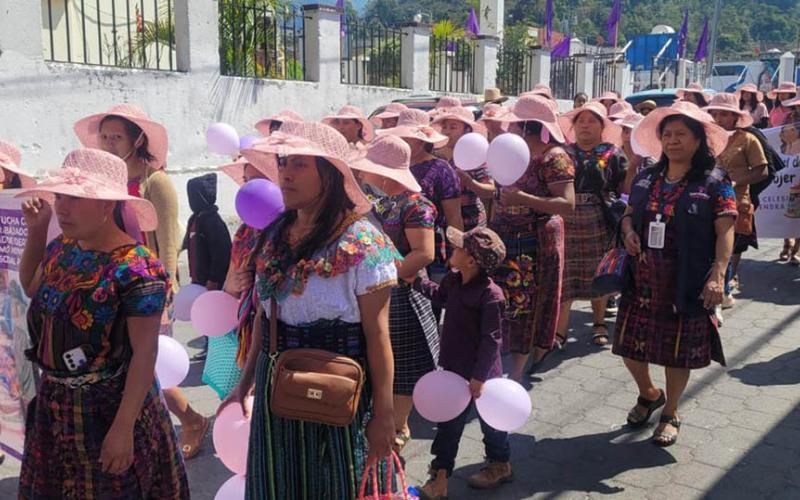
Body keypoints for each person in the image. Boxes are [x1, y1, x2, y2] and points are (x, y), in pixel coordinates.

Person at [221, 121, 396, 499]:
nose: (285, 173)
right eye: (284, 162)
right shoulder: (273, 236)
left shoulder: (363, 242)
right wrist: (244, 383)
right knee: (278, 485)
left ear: (330, 176)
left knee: (339, 485)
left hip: (339, 388)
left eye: (300, 164)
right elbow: (266, 319)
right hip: (277, 387)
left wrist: (384, 416)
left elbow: (378, 335)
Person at [17, 148, 189, 498]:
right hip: (55, 408)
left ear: (108, 205)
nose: (62, 207)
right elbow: (33, 287)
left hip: (109, 411)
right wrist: (36, 233)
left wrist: (123, 429)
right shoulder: (63, 248)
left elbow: (145, 353)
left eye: (77, 198)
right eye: (60, 196)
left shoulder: (138, 268)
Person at [74, 104, 209, 459]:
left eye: (116, 136)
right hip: (108, 290)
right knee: (124, 366)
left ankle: (190, 419)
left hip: (146, 289)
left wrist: (164, 290)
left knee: (146, 365)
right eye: (103, 137)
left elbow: (167, 242)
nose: (108, 143)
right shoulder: (103, 182)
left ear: (137, 140)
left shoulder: (155, 182)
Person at [616, 101, 735, 447]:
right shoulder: (647, 177)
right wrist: (627, 232)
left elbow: (726, 229)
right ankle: (649, 393)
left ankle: (671, 411)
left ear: (698, 140)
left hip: (685, 281)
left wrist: (718, 274)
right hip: (641, 281)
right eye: (667, 134)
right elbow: (627, 213)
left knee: (675, 352)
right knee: (629, 348)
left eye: (681, 134)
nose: (672, 141)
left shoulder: (714, 181)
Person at [350, 134, 440, 456]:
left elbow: (424, 254)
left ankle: (399, 429)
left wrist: (382, 274)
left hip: (403, 296)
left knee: (403, 369)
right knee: (384, 365)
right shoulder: (383, 201)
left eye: (368, 168)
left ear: (384, 172)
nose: (362, 174)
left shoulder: (417, 205)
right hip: (382, 292)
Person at [412, 227, 511, 497]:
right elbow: (441, 297)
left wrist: (479, 378)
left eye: (458, 248)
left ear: (471, 261)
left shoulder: (491, 296)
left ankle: (500, 463)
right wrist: (416, 281)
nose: (451, 249)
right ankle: (440, 477)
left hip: (482, 376)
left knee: (492, 422)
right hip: (453, 371)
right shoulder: (454, 281)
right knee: (448, 426)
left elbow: (492, 340)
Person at [492, 95, 576, 380]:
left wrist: (523, 198)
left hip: (537, 242)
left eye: (516, 125)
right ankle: (510, 359)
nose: (510, 130)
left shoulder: (554, 157)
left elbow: (567, 203)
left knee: (528, 304)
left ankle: (520, 367)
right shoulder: (509, 152)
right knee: (506, 302)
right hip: (506, 237)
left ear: (529, 127)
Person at [204, 148, 280, 400]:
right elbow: (230, 288)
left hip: (284, 339)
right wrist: (234, 283)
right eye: (248, 181)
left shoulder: (297, 229)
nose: (251, 189)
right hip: (247, 337)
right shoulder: (244, 233)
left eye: (261, 180)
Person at [557, 101, 628, 346]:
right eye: (580, 121)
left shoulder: (613, 153)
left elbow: (622, 188)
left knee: (598, 272)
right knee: (564, 274)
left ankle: (599, 323)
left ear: (602, 126)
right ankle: (560, 330)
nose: (585, 125)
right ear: (574, 127)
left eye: (592, 121)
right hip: (566, 217)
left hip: (599, 218)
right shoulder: (562, 152)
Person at [379, 109, 464, 282]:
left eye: (407, 138)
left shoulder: (441, 169)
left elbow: (454, 216)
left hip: (429, 250)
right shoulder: (390, 167)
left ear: (421, 141)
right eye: (399, 137)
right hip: (391, 250)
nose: (402, 142)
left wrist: (457, 253)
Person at [706, 93, 769, 308]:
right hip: (707, 199)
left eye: (724, 114)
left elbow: (762, 170)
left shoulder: (748, 139)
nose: (719, 118)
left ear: (735, 117)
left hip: (736, 200)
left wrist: (735, 181)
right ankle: (718, 290)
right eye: (715, 113)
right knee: (709, 246)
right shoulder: (707, 138)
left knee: (728, 248)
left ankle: (723, 291)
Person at [181, 173, 233, 360]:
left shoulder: (213, 222)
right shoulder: (194, 219)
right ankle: (208, 345)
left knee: (214, 316)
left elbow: (222, 252)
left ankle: (216, 351)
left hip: (211, 280)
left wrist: (214, 279)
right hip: (198, 278)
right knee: (203, 315)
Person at [432, 106, 495, 231]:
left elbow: (490, 190)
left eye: (453, 127)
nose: (447, 131)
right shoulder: (435, 155)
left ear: (467, 130)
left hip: (470, 224)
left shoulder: (476, 155)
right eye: (444, 127)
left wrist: (469, 182)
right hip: (442, 225)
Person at [619, 113, 655, 188]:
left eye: (634, 131)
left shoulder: (650, 164)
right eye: (625, 131)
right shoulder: (613, 157)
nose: (628, 136)